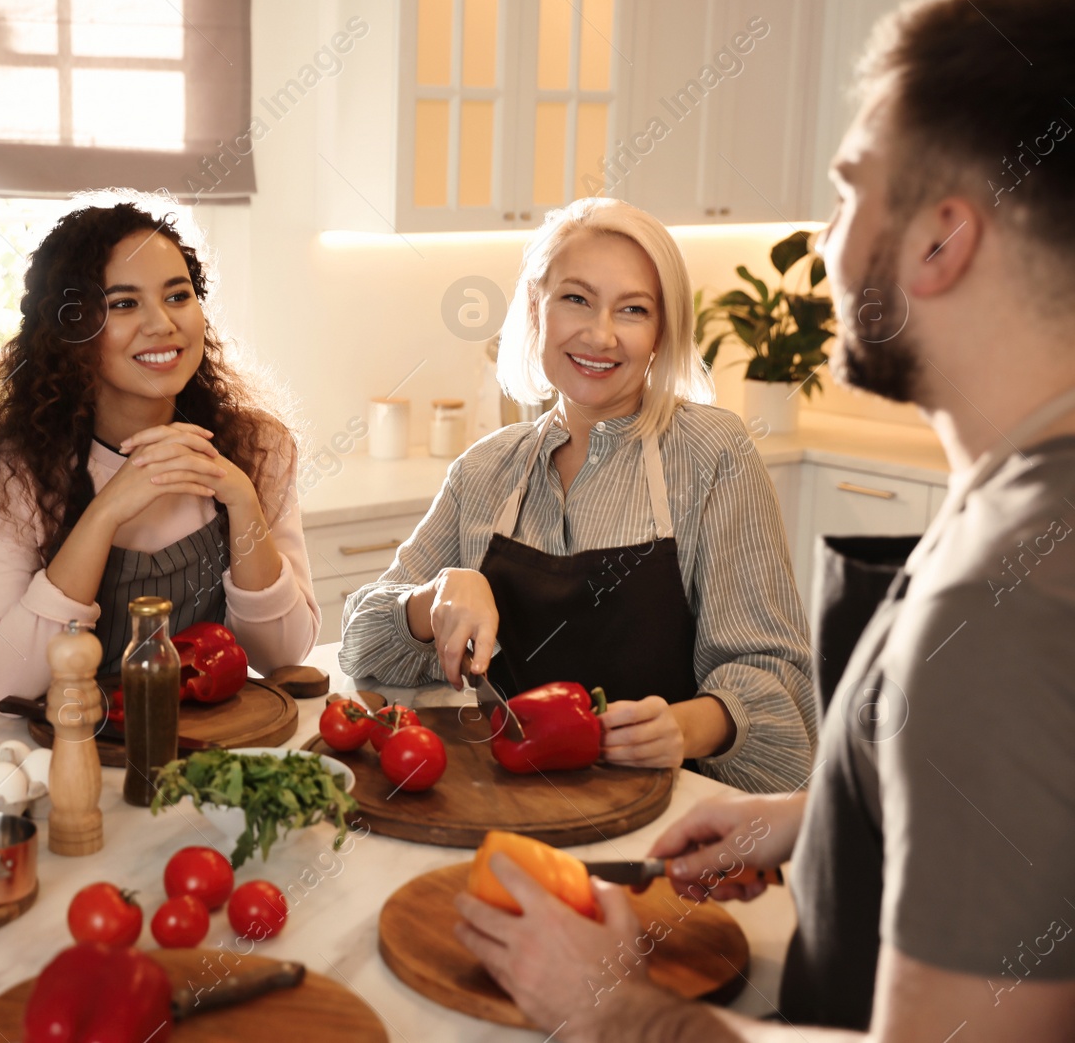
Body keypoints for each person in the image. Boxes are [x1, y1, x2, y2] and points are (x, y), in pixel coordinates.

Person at [454, 0, 1075, 1039]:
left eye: (846, 195)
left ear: (939, 240)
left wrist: (612, 1006)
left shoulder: (1008, 605)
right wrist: (813, 820)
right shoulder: (1015, 515)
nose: (825, 244)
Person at [339, 198, 816, 794]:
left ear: (662, 332)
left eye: (634, 309)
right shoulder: (485, 471)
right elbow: (360, 646)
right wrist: (429, 599)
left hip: (663, 814)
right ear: (536, 308)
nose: (601, 334)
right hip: (505, 799)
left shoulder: (713, 455)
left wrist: (686, 727)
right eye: (576, 299)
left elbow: (778, 683)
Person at [0, 196, 319, 702]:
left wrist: (243, 502)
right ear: (73, 331)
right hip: (63, 759)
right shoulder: (18, 471)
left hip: (204, 759)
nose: (163, 324)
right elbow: (4, 686)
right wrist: (106, 511)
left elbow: (282, 655)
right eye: (125, 304)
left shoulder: (257, 448)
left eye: (178, 296)